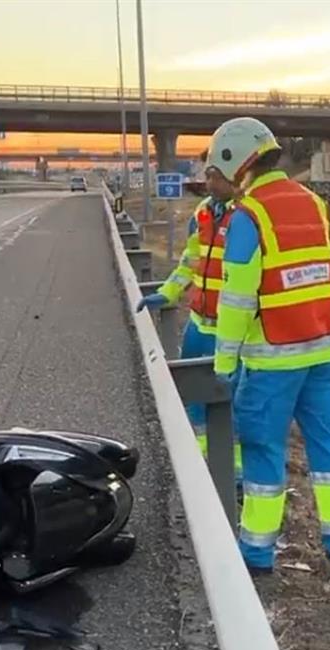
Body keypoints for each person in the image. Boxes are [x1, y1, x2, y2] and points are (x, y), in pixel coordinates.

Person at [206, 117, 330, 574]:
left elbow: (236, 298)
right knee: (329, 446)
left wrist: (223, 361)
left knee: (263, 449)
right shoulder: (315, 203)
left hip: (272, 359)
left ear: (235, 160)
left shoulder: (249, 214)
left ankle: (257, 549)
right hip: (324, 350)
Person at [136, 155, 242, 481]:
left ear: (235, 178)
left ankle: (233, 470)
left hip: (234, 331)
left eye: (215, 177)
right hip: (199, 324)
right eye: (207, 176)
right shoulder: (204, 213)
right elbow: (189, 262)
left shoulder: (249, 216)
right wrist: (169, 293)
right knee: (193, 400)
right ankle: (197, 463)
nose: (208, 183)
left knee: (232, 405)